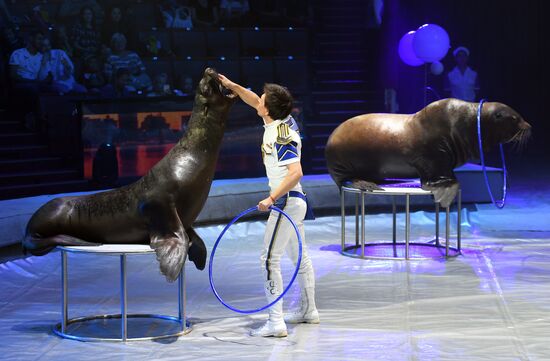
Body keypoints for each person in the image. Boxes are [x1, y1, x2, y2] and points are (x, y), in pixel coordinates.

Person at [219, 74, 319, 338]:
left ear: (268, 109)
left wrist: (272, 198)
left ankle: (275, 322)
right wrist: (233, 86)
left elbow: (295, 172)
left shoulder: (282, 134)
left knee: (268, 260)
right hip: (293, 202)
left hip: (286, 202)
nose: (257, 101)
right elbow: (252, 99)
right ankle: (309, 311)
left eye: (261, 100)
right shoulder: (278, 123)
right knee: (300, 258)